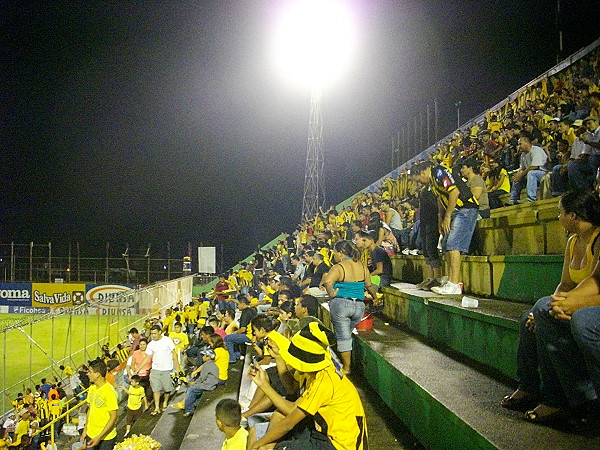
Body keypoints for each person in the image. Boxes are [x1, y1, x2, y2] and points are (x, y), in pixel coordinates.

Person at [500, 190, 600, 422]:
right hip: (577, 300)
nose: (558, 217)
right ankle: (528, 387)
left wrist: (563, 304)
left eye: (560, 213)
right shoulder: (573, 241)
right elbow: (565, 283)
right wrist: (552, 304)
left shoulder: (597, 238)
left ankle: (560, 398)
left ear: (573, 216)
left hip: (589, 303)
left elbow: (595, 285)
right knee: (531, 317)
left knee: (554, 316)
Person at [248, 322, 368, 450]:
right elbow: (292, 388)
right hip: (322, 430)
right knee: (274, 419)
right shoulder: (317, 367)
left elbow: (290, 419)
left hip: (339, 444)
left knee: (272, 444)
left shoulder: (324, 381)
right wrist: (278, 357)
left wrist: (258, 444)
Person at [410, 161, 479, 295]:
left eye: (418, 179)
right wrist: (441, 217)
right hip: (454, 211)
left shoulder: (439, 172)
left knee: (453, 244)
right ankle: (450, 280)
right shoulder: (433, 182)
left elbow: (454, 192)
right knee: (446, 244)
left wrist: (447, 216)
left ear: (423, 171)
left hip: (465, 208)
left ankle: (454, 284)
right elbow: (440, 198)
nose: (419, 183)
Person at [321, 240, 379, 374]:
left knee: (343, 337)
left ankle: (347, 368)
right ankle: (344, 358)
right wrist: (375, 298)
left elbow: (328, 282)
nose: (334, 256)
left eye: (335, 253)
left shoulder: (338, 267)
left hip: (342, 304)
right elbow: (369, 285)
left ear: (341, 253)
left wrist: (331, 294)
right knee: (346, 334)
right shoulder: (363, 266)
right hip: (359, 306)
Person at [135, 325, 181, 416]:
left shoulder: (167, 340)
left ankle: (165, 403)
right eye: (152, 334)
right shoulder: (151, 344)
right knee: (156, 389)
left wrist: (178, 369)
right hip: (155, 370)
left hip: (167, 369)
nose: (153, 335)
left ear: (160, 332)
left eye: (155, 333)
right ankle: (156, 407)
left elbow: (174, 354)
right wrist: (138, 369)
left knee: (167, 389)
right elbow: (147, 357)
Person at [81, 360, 118, 449]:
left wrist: (99, 437)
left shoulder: (109, 391)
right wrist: (85, 429)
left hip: (106, 438)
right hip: (91, 434)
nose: (87, 374)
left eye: (90, 372)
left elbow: (113, 416)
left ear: (97, 374)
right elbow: (90, 410)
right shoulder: (92, 388)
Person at [509, 133, 548, 203]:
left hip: (544, 173)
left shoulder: (536, 150)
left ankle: (531, 198)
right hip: (531, 173)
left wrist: (521, 174)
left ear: (527, 143)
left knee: (531, 173)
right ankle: (513, 199)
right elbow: (522, 168)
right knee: (517, 177)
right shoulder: (523, 155)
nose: (519, 146)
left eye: (520, 144)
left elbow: (535, 166)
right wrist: (517, 175)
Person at [224, 297, 257, 364]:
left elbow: (243, 329)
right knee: (234, 339)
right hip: (254, 334)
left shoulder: (245, 313)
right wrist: (231, 299)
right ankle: (237, 355)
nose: (237, 306)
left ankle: (232, 358)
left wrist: (234, 333)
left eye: (238, 304)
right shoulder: (252, 310)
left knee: (228, 338)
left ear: (243, 304)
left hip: (249, 335)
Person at [130, 338, 152, 403]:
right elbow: (132, 364)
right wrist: (134, 370)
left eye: (144, 344)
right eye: (141, 344)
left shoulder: (150, 353)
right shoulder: (135, 353)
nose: (142, 346)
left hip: (148, 375)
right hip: (139, 375)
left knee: (149, 392)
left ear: (147, 345)